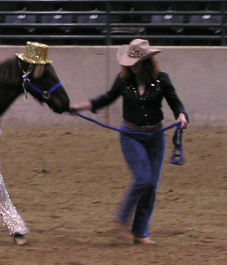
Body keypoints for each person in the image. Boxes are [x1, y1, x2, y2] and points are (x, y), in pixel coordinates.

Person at [71, 39, 189, 245]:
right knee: (143, 179)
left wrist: (181, 116)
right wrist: (80, 107)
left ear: (147, 61)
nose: (132, 65)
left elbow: (175, 102)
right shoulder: (123, 80)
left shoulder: (163, 80)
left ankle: (140, 233)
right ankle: (120, 219)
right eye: (131, 61)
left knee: (152, 185)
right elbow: (106, 98)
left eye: (137, 61)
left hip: (156, 136)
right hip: (131, 135)